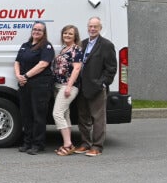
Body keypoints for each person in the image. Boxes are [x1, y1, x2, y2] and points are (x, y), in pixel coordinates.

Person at [74, 17, 117, 157]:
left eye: (95, 27)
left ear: (100, 29)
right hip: (82, 87)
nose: (92, 29)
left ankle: (97, 146)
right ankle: (85, 144)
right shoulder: (83, 43)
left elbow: (111, 68)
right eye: (90, 26)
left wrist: (102, 84)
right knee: (83, 117)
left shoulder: (106, 45)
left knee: (98, 118)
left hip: (97, 88)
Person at [14, 21, 54, 155]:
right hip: (24, 85)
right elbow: (17, 62)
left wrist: (25, 75)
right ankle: (27, 143)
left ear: (44, 33)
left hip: (40, 85)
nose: (36, 32)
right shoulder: (25, 45)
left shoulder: (46, 46)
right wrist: (18, 76)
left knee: (38, 116)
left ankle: (38, 144)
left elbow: (43, 64)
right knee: (26, 115)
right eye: (35, 29)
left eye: (39, 30)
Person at [51, 25, 84, 156]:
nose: (67, 36)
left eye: (70, 34)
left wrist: (69, 86)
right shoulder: (64, 49)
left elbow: (76, 69)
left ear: (75, 36)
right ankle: (68, 143)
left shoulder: (77, 50)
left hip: (68, 86)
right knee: (65, 114)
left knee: (57, 113)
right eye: (65, 33)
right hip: (58, 85)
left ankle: (68, 145)